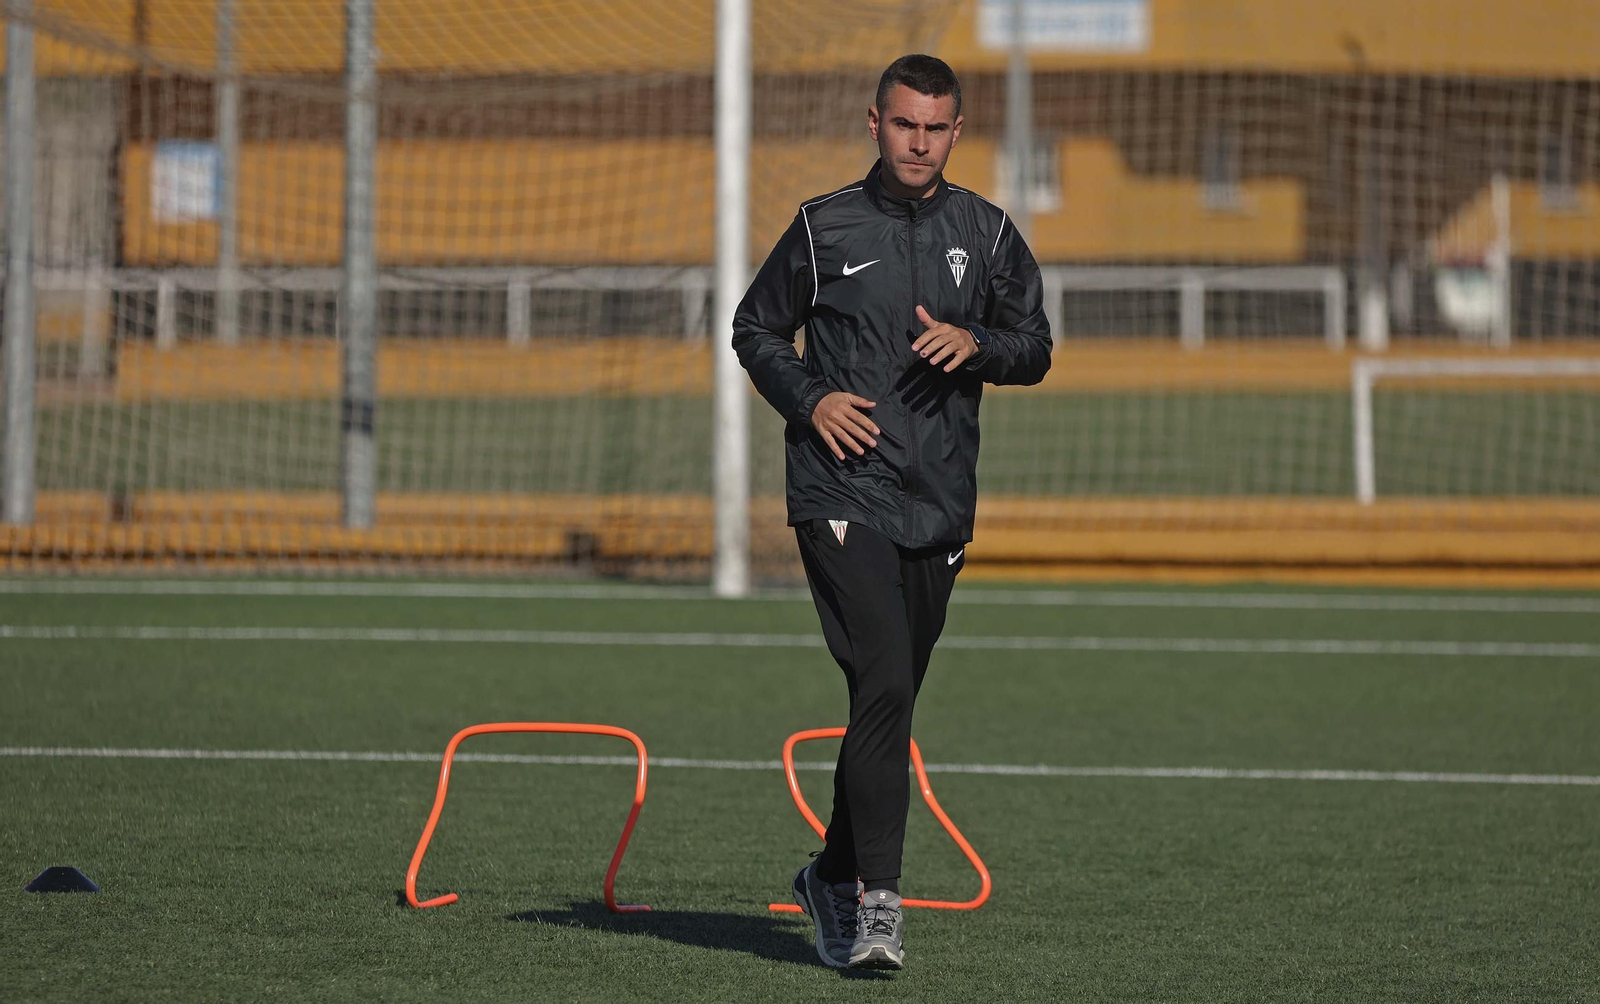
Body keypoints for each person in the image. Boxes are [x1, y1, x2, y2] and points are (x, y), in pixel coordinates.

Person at [732, 53, 1053, 970]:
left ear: (956, 132)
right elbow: (755, 328)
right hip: (840, 488)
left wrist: (981, 341)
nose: (919, 141)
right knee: (883, 680)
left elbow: (1034, 347)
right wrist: (809, 400)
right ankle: (877, 904)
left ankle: (831, 873)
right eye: (904, 123)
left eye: (936, 127)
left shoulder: (987, 233)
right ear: (874, 123)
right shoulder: (821, 226)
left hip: (939, 498)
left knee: (891, 696)